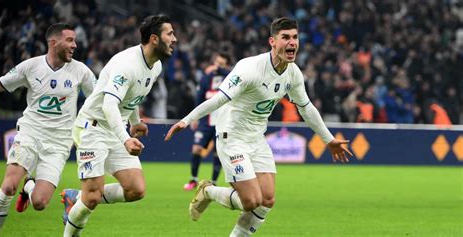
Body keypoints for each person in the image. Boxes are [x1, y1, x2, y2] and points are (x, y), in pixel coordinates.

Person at [165, 17, 352, 236]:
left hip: (256, 139)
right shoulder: (249, 68)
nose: (292, 42)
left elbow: (306, 108)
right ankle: (208, 191)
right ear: (272, 41)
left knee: (267, 200)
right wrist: (186, 120)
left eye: (295, 37)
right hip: (232, 137)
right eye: (285, 38)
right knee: (250, 201)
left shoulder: (293, 74)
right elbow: (219, 99)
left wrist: (328, 139)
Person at [62, 15, 176, 237]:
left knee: (136, 189)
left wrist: (135, 122)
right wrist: (125, 138)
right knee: (92, 197)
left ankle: (76, 198)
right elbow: (109, 104)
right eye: (170, 34)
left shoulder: (156, 66)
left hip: (116, 128)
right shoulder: (127, 65)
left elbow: (130, 96)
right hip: (92, 127)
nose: (175, 39)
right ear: (154, 39)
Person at [0, 23, 95, 237]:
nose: (75, 45)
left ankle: (29, 185)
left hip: (59, 143)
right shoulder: (30, 67)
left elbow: (101, 97)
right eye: (70, 40)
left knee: (39, 202)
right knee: (9, 186)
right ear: (53, 42)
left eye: (75, 40)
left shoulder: (81, 70)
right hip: (30, 133)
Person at [183, 52, 232, 191]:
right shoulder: (206, 78)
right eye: (216, 63)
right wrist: (195, 117)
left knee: (218, 152)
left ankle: (214, 181)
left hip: (223, 123)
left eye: (221, 64)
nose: (217, 67)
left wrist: (221, 70)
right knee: (196, 148)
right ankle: (193, 179)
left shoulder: (230, 78)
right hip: (206, 122)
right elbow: (199, 98)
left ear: (226, 65)